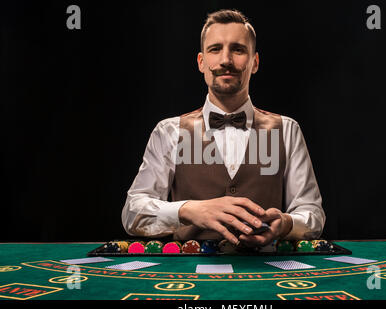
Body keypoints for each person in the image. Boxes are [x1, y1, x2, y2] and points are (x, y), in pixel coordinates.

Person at [122, 9, 325, 247]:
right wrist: (188, 210)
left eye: (238, 49)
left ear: (255, 62)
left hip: (268, 273)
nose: (226, 60)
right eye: (215, 49)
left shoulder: (288, 130)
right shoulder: (168, 131)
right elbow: (132, 214)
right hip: (189, 274)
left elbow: (313, 215)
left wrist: (286, 223)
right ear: (201, 62)